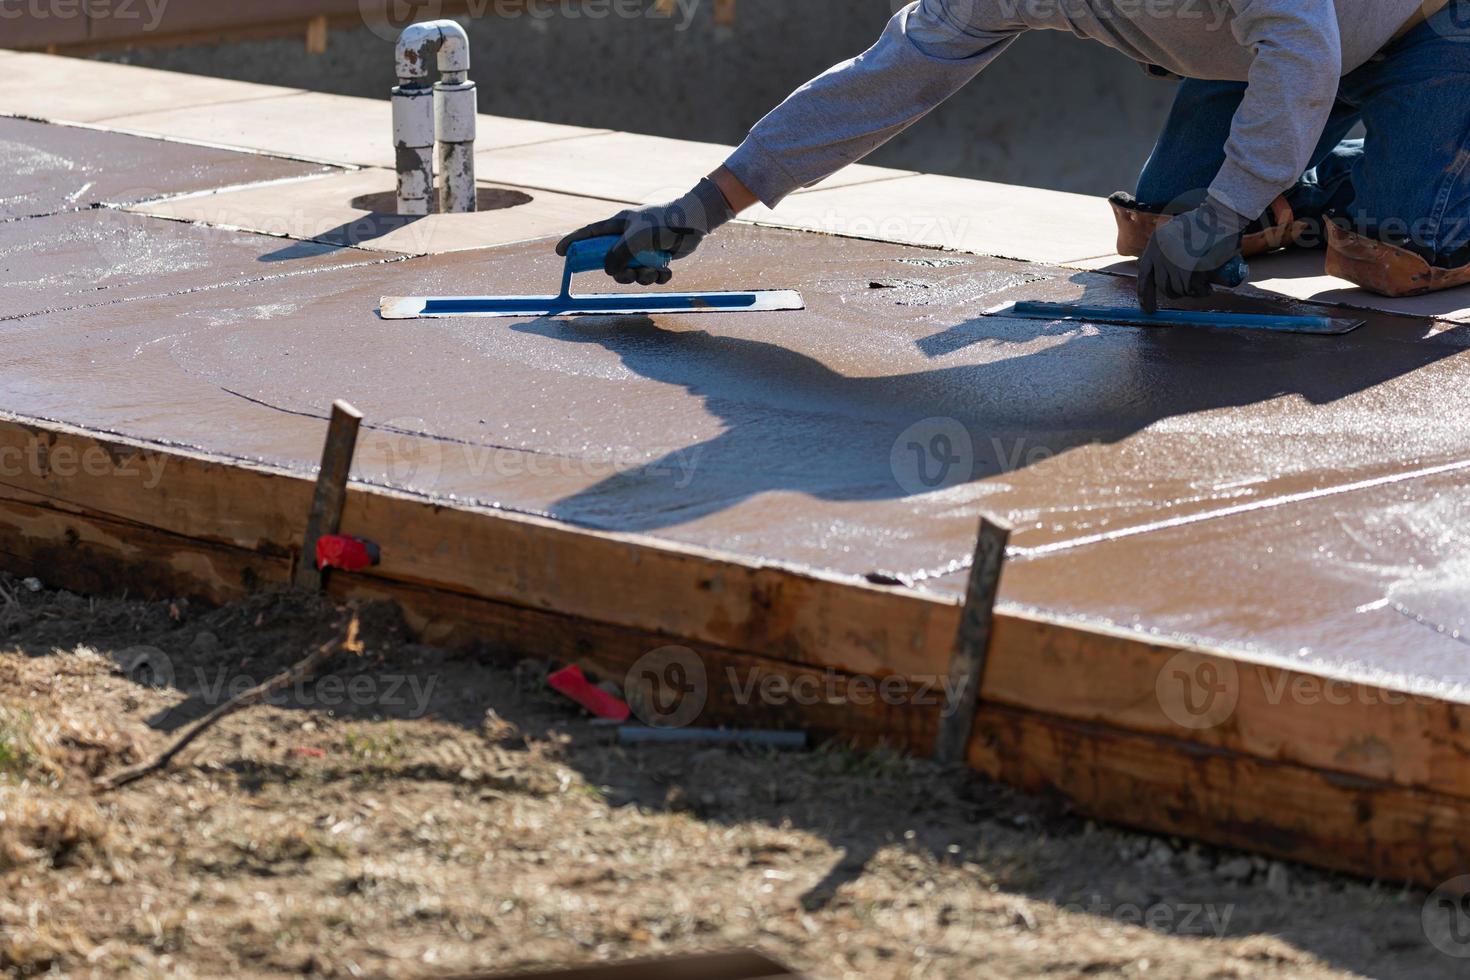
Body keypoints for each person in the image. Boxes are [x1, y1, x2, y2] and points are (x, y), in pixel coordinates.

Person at [559, 0, 1470, 307]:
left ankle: (1393, 181)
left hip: (1428, 30)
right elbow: (888, 77)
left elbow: (1304, 49)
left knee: (1386, 255)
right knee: (1154, 226)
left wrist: (1229, 210)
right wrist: (705, 205)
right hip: (1264, 52)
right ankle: (1305, 182)